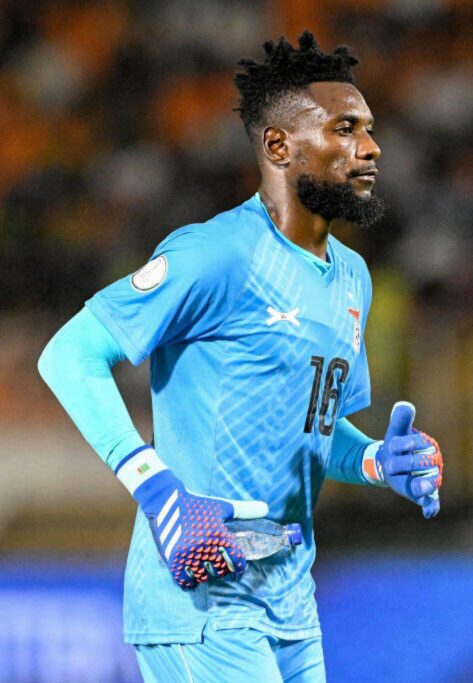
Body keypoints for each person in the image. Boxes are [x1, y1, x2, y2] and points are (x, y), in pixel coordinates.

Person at [37, 32, 444, 682]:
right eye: (345, 130)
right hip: (202, 596)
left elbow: (307, 425)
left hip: (289, 600)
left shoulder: (351, 279)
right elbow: (69, 354)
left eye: (368, 129)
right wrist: (157, 489)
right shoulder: (218, 254)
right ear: (279, 145)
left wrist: (371, 459)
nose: (370, 148)